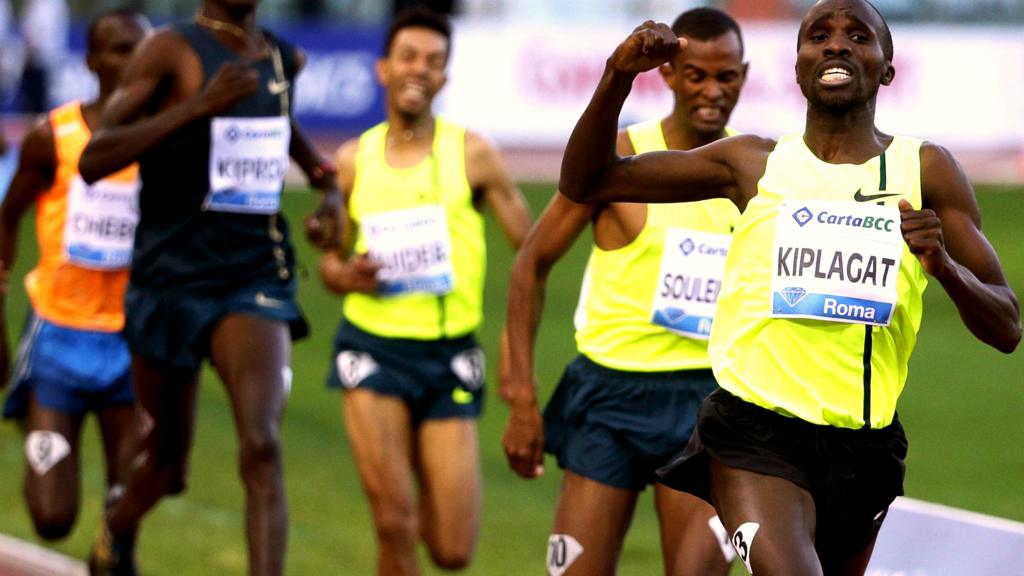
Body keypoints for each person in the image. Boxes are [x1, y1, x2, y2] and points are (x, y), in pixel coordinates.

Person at [558, 1, 1021, 574]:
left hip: (864, 446)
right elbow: (586, 179)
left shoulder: (925, 171)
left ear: (887, 67)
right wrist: (619, 74)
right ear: (796, 68)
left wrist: (944, 266)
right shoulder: (751, 163)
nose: (836, 44)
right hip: (753, 432)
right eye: (818, 35)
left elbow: (1007, 327)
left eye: (859, 35)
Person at [76, 0, 341, 574]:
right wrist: (197, 108)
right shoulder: (168, 50)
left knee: (262, 444)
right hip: (169, 278)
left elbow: (277, 123)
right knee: (169, 465)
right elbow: (95, 159)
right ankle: (118, 524)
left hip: (251, 275)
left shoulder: (279, 56)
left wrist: (326, 183)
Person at [500, 8, 746, 576]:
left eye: (726, 76)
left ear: (744, 74)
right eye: (696, 75)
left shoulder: (753, 171)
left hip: (710, 404)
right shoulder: (619, 158)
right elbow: (530, 264)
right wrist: (520, 394)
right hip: (610, 396)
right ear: (667, 73)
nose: (712, 91)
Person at [316, 7, 532, 575]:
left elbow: (533, 252)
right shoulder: (351, 162)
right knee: (394, 521)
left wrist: (515, 345)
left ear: (445, 78)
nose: (420, 70)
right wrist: (346, 275)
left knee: (452, 549)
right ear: (383, 68)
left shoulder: (474, 154)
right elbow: (328, 264)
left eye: (434, 62)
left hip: (449, 355)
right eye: (409, 57)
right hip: (373, 349)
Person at [0, 8, 148, 544]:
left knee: (125, 512)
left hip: (132, 343)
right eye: (120, 49)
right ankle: (40, 422)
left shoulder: (162, 140)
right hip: (58, 337)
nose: (134, 61)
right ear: (91, 60)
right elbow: (8, 213)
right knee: (52, 520)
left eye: (143, 49)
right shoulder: (53, 136)